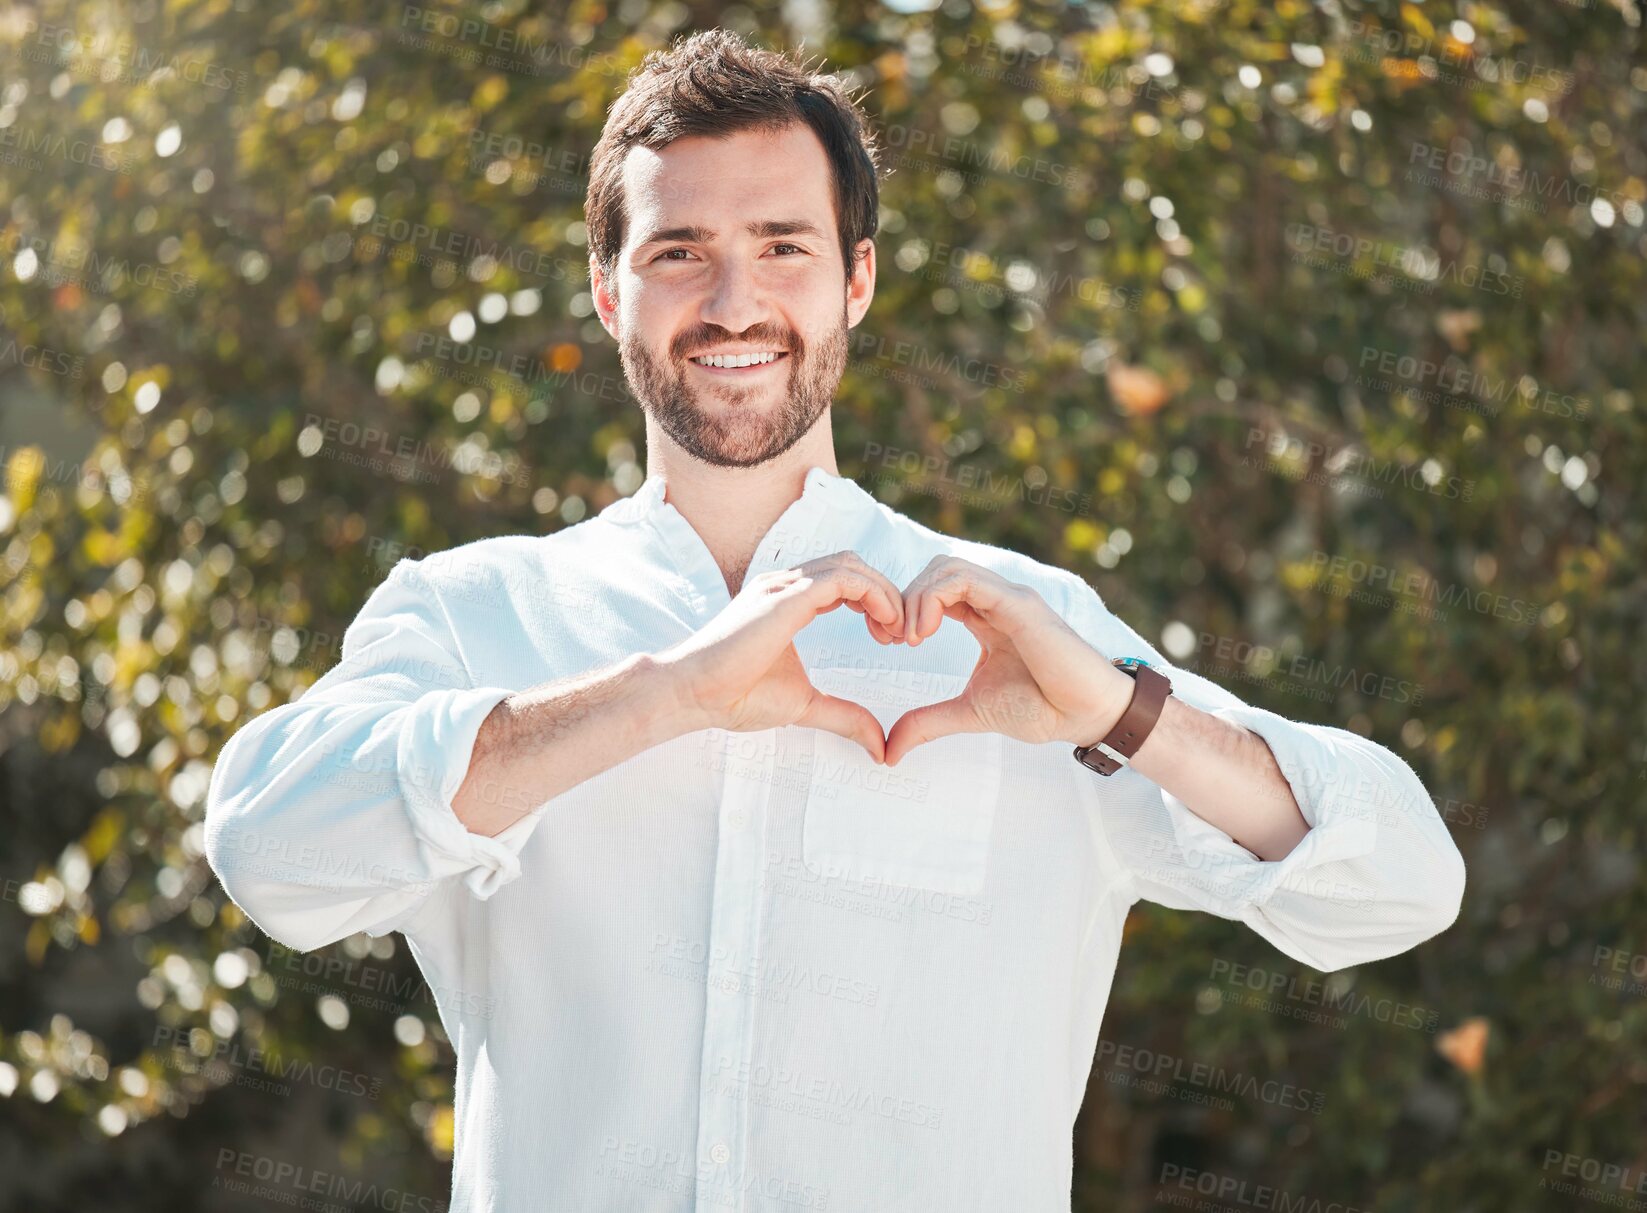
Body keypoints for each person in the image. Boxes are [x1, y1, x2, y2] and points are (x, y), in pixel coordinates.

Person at [205, 28, 1465, 1212]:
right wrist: (664, 698)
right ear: (606, 289)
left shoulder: (1029, 634)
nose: (736, 300)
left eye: (784, 245)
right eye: (678, 249)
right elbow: (270, 849)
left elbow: (1403, 884)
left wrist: (1130, 714)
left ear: (858, 279)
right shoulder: (475, 612)